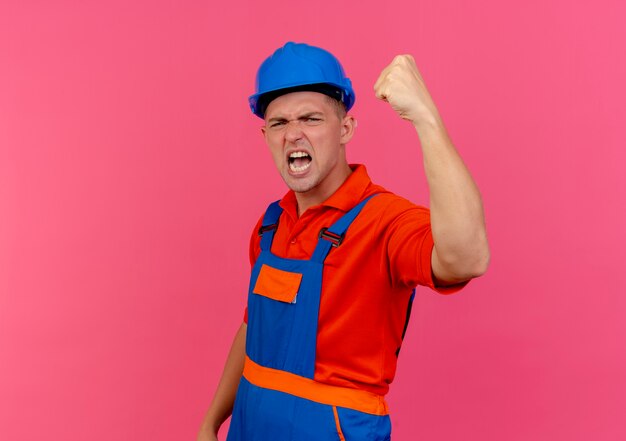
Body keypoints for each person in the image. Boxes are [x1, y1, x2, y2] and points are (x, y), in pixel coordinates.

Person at [197, 41, 489, 441]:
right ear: (265, 136)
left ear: (346, 129)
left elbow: (466, 258)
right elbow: (253, 328)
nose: (294, 135)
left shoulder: (384, 221)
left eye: (311, 118)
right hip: (250, 424)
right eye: (279, 124)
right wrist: (211, 421)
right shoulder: (271, 225)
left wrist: (426, 119)